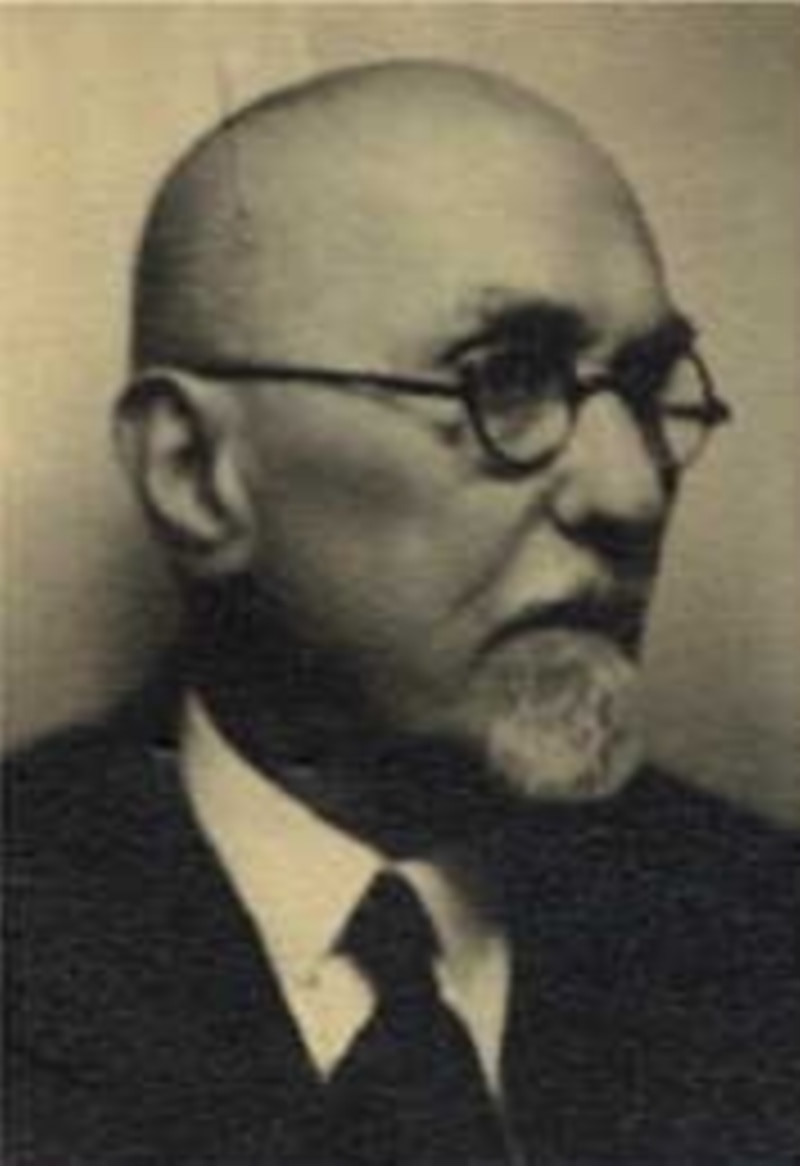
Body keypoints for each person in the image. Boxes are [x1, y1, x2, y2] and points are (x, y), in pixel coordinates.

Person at [5, 60, 798, 1166]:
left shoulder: (763, 934)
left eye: (644, 384)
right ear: (194, 473)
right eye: (505, 379)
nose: (630, 492)